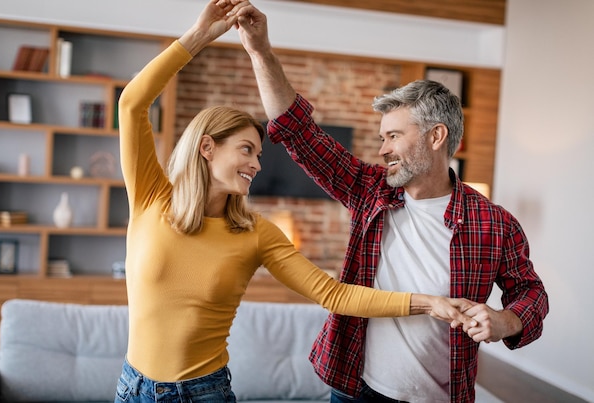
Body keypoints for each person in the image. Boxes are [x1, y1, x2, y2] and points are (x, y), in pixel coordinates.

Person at [115, 1, 478, 402]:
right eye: (247, 150)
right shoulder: (150, 196)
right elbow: (132, 104)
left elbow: (334, 294)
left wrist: (427, 304)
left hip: (205, 393)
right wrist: (199, 35)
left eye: (259, 154)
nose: (256, 164)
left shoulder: (255, 235)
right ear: (206, 147)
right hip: (133, 388)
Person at [232, 2, 550, 402]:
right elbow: (298, 131)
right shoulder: (369, 191)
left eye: (394, 136)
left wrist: (506, 320)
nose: (382, 150)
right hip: (356, 388)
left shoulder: (493, 223)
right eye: (383, 137)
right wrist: (260, 51)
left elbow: (531, 292)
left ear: (436, 137)